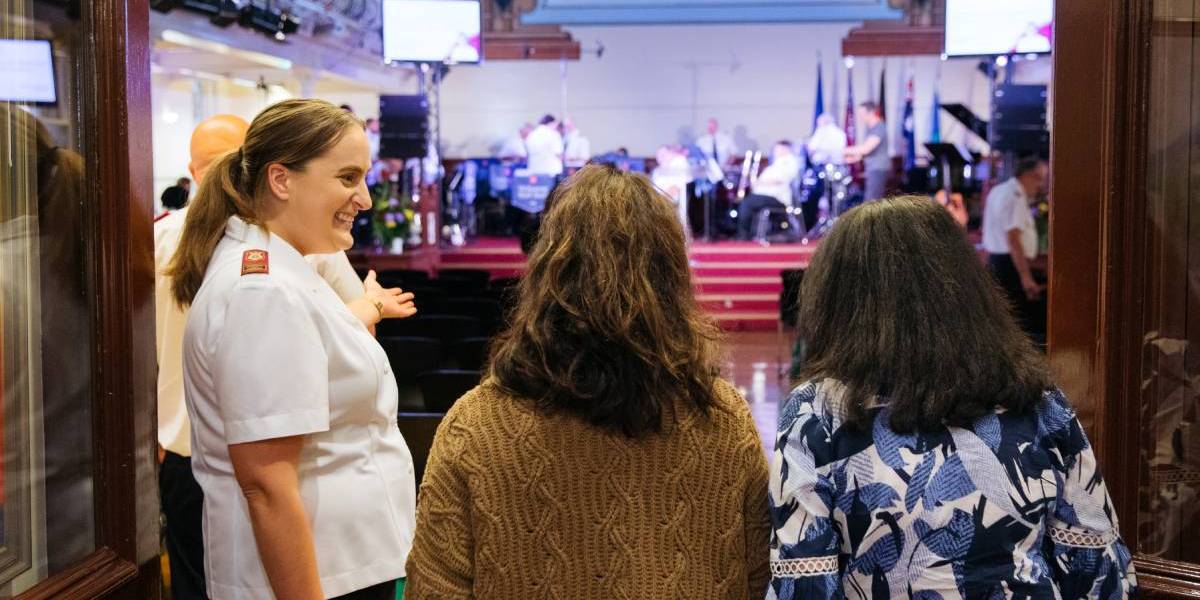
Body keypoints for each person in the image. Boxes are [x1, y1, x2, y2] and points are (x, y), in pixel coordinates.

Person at [405, 164, 771, 599]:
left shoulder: (475, 425)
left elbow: (434, 589)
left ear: (544, 273)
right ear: (674, 278)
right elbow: (751, 578)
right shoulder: (724, 418)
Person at [768, 196, 1136, 599]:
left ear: (835, 301)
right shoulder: (1037, 402)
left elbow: (803, 585)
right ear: (966, 288)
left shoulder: (816, 414)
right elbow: (1099, 572)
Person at [166, 99, 417, 600]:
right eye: (347, 178)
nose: (364, 200)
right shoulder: (263, 290)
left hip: (345, 565)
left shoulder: (283, 272)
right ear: (281, 180)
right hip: (319, 577)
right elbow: (267, 485)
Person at [982, 157, 1048, 339]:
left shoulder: (999, 190)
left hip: (999, 262)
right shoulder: (1014, 195)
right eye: (1039, 178)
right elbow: (1013, 239)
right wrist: (1026, 279)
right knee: (1024, 324)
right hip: (1010, 265)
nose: (1041, 184)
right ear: (1026, 175)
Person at [736, 141, 801, 240]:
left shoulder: (789, 162)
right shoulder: (776, 163)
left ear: (786, 149)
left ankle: (743, 234)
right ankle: (748, 233)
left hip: (777, 198)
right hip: (766, 195)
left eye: (777, 149)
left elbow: (781, 179)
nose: (775, 151)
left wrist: (759, 182)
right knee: (747, 201)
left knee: (748, 202)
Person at [844, 101, 890, 203]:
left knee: (871, 202)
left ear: (871, 112)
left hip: (877, 169)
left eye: (862, 114)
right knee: (871, 201)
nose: (860, 117)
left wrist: (842, 150)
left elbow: (866, 149)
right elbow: (868, 153)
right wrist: (853, 159)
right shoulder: (872, 129)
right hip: (873, 169)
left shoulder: (879, 127)